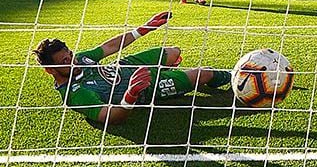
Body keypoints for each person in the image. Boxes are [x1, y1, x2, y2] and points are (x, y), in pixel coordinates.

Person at [32, 11, 231, 126]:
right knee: (203, 73)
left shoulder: (81, 58)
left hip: (127, 66)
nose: (72, 61)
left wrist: (144, 29)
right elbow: (113, 117)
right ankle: (233, 77)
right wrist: (131, 93)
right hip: (146, 88)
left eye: (70, 55)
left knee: (174, 52)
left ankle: (169, 70)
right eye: (65, 62)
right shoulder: (76, 96)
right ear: (50, 70)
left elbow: (110, 47)